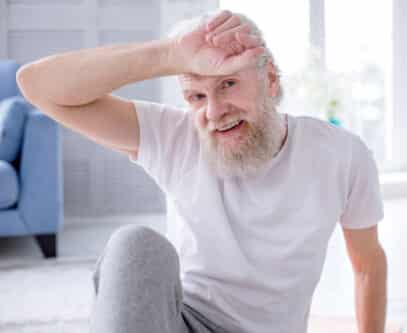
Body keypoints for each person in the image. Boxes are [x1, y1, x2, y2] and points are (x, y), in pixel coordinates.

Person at [16, 9, 387, 333]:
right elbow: (35, 85)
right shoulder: (175, 136)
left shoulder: (342, 155)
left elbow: (368, 265)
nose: (214, 111)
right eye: (197, 95)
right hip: (185, 322)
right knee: (135, 245)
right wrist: (169, 54)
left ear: (271, 80)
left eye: (228, 84)